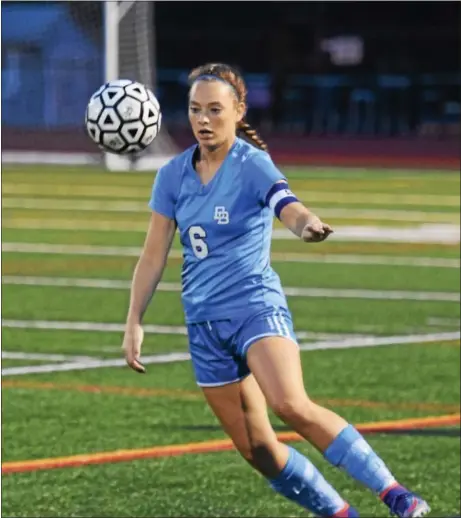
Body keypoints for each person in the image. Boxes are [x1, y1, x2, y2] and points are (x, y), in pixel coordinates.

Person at [122, 63, 430, 518]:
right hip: (204, 325)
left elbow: (287, 205)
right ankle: (342, 514)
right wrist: (134, 321)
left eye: (214, 110)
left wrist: (307, 225)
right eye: (194, 110)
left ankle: (395, 494)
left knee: (290, 403)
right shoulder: (172, 175)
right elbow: (152, 256)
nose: (203, 120)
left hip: (254, 307)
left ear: (238, 110)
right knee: (259, 450)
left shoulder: (252, 164)